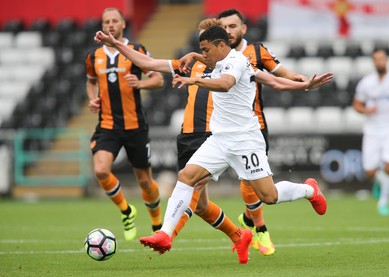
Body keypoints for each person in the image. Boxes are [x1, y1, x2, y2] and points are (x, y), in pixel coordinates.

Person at [94, 22, 332, 264]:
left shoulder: (238, 62)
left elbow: (227, 84)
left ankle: (309, 189)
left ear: (221, 45)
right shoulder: (211, 61)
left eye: (206, 49)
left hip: (245, 141)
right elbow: (147, 63)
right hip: (218, 140)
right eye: (201, 50)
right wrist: (115, 44)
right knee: (186, 176)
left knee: (268, 196)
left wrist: (194, 81)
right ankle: (165, 235)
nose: (203, 54)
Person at [179, 8, 310, 255]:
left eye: (232, 27)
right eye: (224, 27)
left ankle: (254, 227)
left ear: (242, 29)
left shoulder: (253, 54)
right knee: (194, 180)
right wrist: (194, 55)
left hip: (252, 127)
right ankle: (252, 231)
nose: (228, 31)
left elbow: (276, 77)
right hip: (221, 132)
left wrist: (300, 81)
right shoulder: (214, 57)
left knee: (259, 189)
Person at [85, 7, 164, 241]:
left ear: (122, 24)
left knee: (144, 180)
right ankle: (126, 211)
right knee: (100, 169)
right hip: (107, 125)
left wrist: (140, 84)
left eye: (114, 21)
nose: (110, 25)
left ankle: (157, 224)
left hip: (135, 125)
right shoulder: (93, 56)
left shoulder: (136, 50)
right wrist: (92, 97)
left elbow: (158, 79)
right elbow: (90, 82)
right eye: (106, 21)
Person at [353, 48, 389, 216]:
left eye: (382, 59)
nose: (379, 62)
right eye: (376, 59)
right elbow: (357, 104)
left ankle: (383, 202)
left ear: (387, 60)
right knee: (370, 171)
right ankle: (379, 183)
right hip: (372, 129)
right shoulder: (367, 82)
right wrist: (366, 111)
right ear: (373, 62)